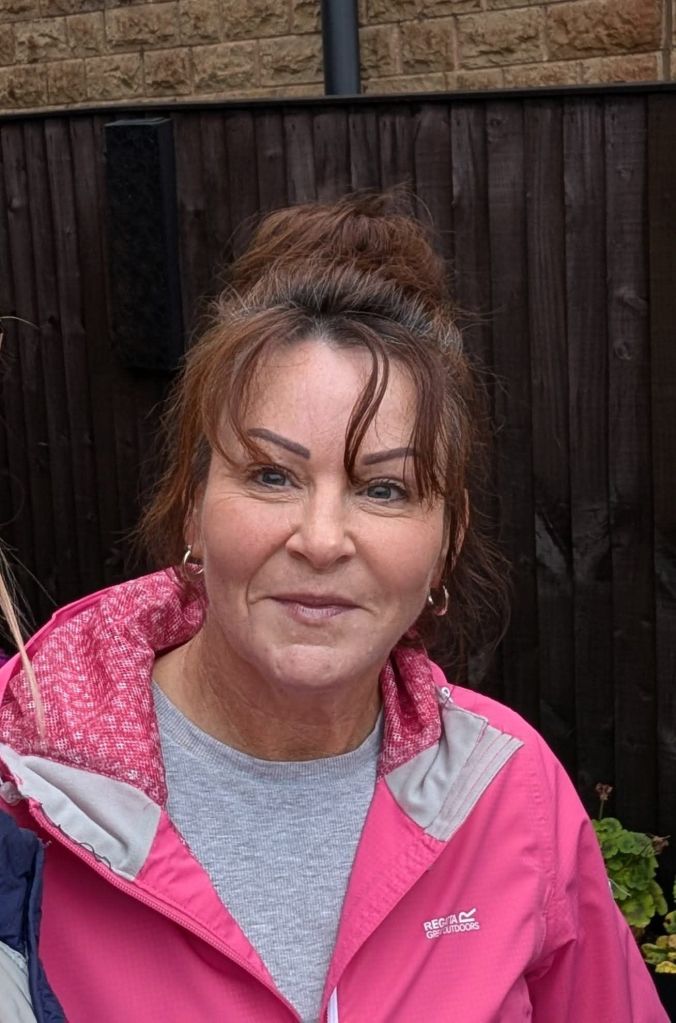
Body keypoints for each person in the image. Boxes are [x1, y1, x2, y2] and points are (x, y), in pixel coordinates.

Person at [0, 194, 667, 1022]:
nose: (321, 539)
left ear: (447, 540)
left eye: (384, 488)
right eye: (271, 475)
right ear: (192, 508)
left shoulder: (508, 790)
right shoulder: (27, 788)